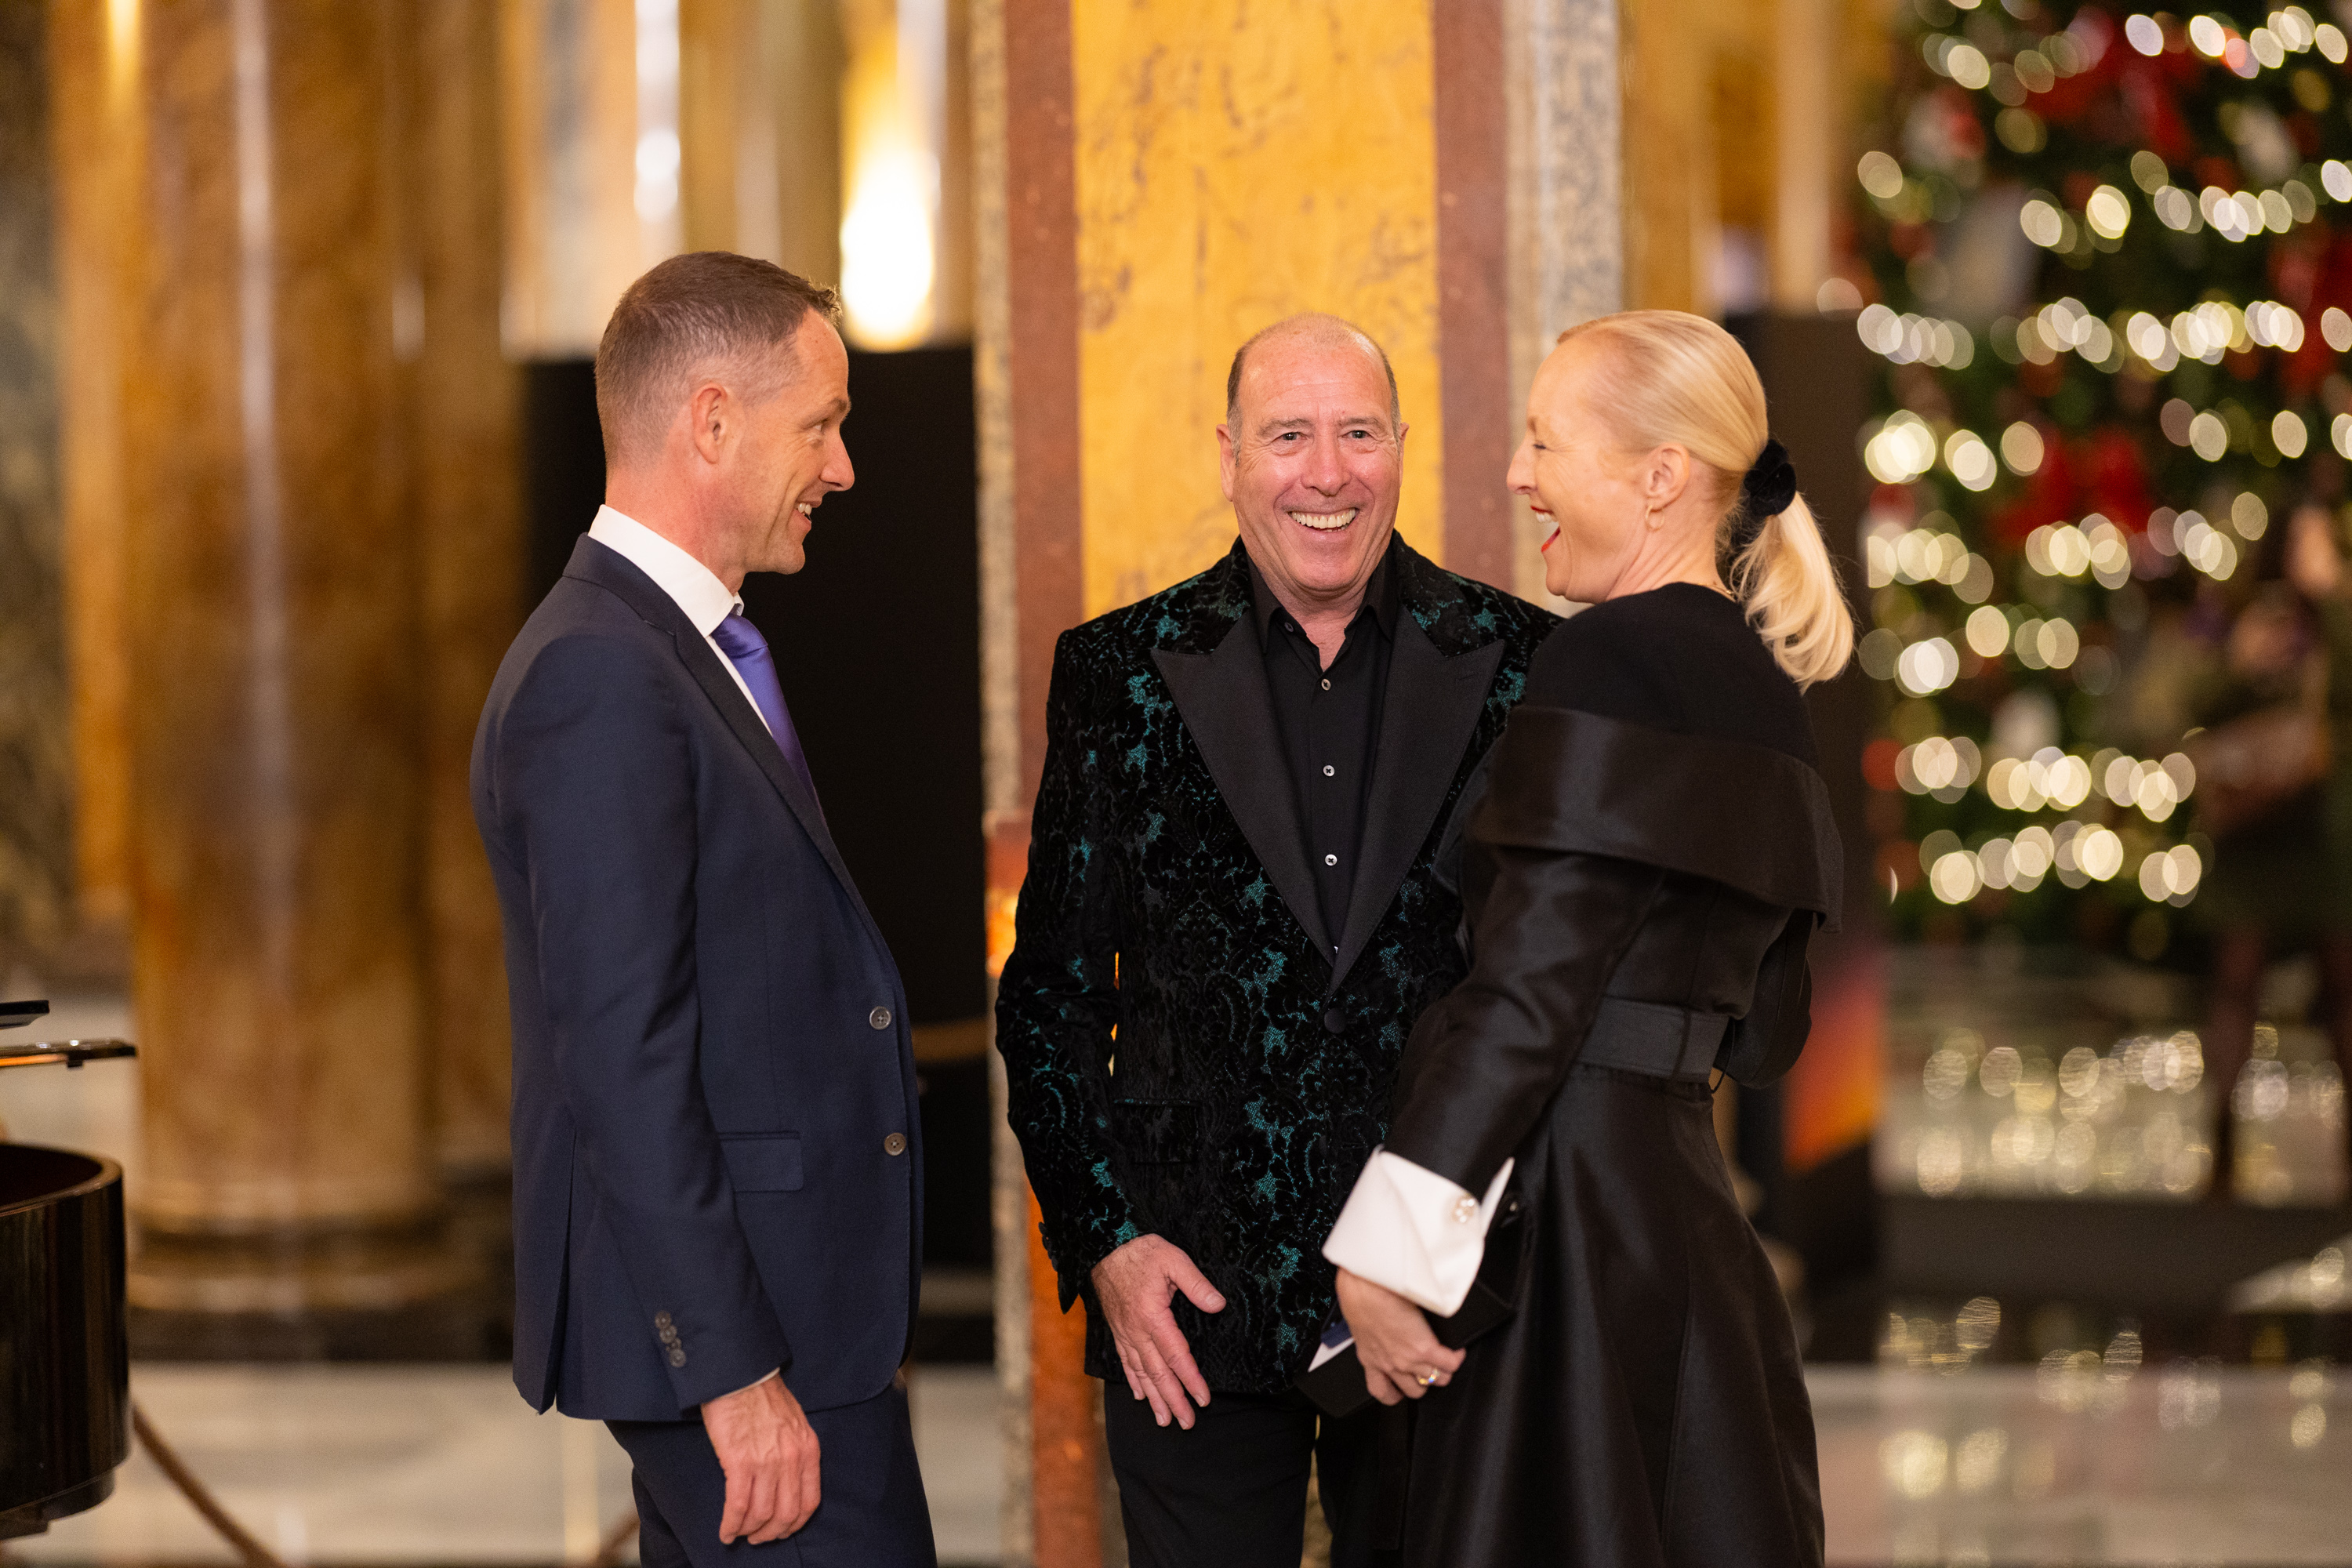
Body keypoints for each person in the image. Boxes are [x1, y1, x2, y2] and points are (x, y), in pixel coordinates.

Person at [996, 314, 1559, 1566]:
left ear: (1402, 447)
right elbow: (1048, 999)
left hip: (1439, 1297)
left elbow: (1549, 995)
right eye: (1289, 435)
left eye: (1358, 433)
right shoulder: (1118, 673)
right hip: (1190, 1306)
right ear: (1230, 456)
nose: (1326, 472)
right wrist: (1107, 1245)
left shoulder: (1527, 664)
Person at [1323, 310, 1849, 1567]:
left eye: (1546, 441)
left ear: (1661, 475)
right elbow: (1768, 1033)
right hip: (1687, 1217)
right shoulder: (1767, 690)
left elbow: (1527, 993)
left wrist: (1389, 1255)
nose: (1518, 472)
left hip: (1562, 1225)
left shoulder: (1605, 659)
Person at [472, 252, 934, 1566]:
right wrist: (731, 1372)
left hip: (793, 1323)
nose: (843, 468)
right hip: (749, 1346)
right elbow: (620, 1056)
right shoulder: (601, 673)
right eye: (822, 426)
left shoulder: (669, 648)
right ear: (714, 423)